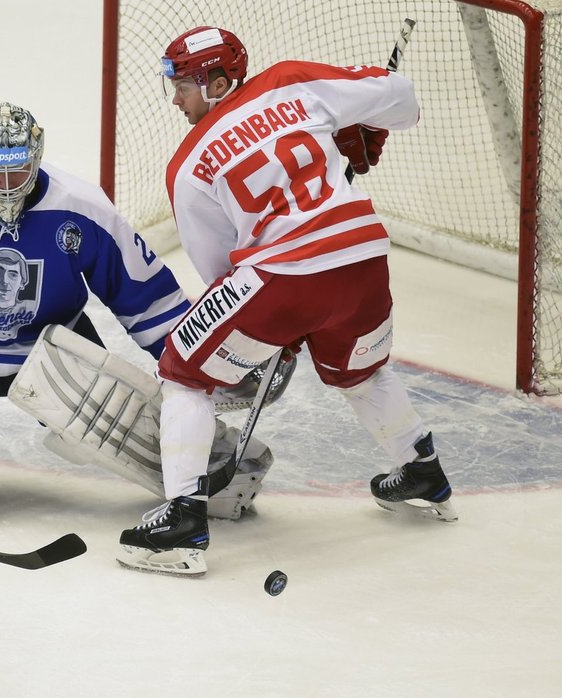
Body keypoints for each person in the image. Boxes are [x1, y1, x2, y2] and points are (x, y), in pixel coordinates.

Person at [0, 101, 276, 520]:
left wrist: (202, 364)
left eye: (16, 171)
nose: (4, 185)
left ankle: (215, 473)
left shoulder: (81, 207)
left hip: (54, 349)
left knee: (135, 433)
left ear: (36, 157)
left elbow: (145, 295)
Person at [117, 26, 457, 576]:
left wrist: (276, 324)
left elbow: (222, 269)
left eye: (182, 86)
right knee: (361, 373)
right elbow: (403, 98)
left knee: (183, 372)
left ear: (219, 82)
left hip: (285, 272)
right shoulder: (292, 82)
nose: (176, 100)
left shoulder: (187, 165)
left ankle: (183, 520)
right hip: (364, 255)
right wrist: (363, 125)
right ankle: (423, 471)